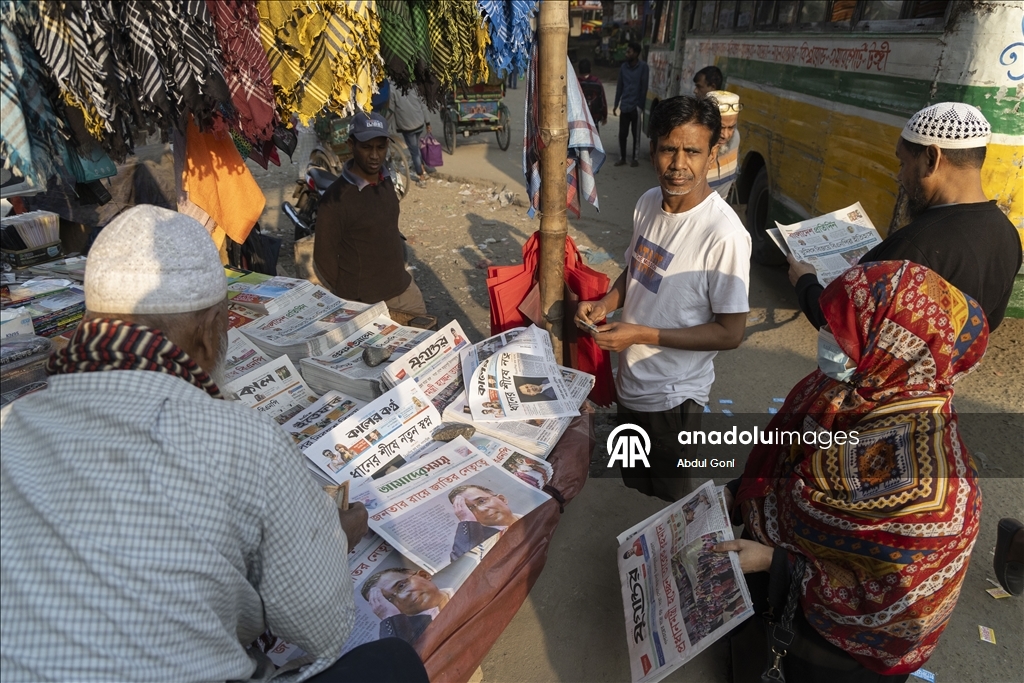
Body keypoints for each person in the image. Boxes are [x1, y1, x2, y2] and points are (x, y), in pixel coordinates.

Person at [0, 205, 427, 683]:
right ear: (210, 329)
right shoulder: (241, 440)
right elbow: (321, 628)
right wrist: (333, 542)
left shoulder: (12, 425)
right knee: (394, 663)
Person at [716, 261, 987, 682]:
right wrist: (740, 490)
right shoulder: (849, 388)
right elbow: (786, 457)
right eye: (829, 323)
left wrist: (776, 562)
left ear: (891, 343)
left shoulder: (931, 480)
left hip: (835, 653)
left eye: (842, 329)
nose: (827, 336)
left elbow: (888, 601)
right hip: (775, 603)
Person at [576, 95, 751, 502]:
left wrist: (639, 334)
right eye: (669, 149)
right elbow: (638, 269)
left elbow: (731, 333)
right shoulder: (647, 203)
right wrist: (606, 303)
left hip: (674, 396)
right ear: (652, 148)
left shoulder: (724, 234)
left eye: (693, 151)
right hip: (631, 380)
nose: (678, 164)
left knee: (674, 501)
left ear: (712, 155)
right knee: (637, 483)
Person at [789, 101, 1021, 332]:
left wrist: (806, 281)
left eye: (903, 163)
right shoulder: (1008, 235)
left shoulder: (914, 246)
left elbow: (841, 325)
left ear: (931, 158)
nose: (900, 176)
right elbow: (989, 322)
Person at [313, 111, 428, 315]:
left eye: (380, 147)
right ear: (351, 145)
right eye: (366, 147)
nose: (375, 156)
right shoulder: (336, 199)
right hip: (363, 304)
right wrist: (352, 295)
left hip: (403, 291)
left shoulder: (385, 180)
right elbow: (323, 259)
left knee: (428, 332)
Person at [363, 567, 454, 644]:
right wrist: (390, 618)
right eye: (389, 600)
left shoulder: (461, 583)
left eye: (401, 586)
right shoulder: (407, 635)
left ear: (424, 575)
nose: (402, 597)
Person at [448, 485, 522, 562]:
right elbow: (464, 564)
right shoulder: (476, 540)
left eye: (481, 501)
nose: (481, 510)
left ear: (502, 499)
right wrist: (467, 521)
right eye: (469, 509)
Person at [613, 42, 649, 167]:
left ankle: (635, 158)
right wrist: (616, 104)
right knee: (622, 134)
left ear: (636, 53)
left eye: (629, 52)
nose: (626, 54)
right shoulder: (623, 67)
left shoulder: (643, 67)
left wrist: (640, 106)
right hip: (625, 106)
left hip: (635, 106)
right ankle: (622, 158)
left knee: (636, 134)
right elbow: (620, 86)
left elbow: (644, 87)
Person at [389, 81, 432, 186]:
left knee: (414, 152)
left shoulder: (392, 88)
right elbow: (423, 104)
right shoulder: (414, 86)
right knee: (416, 148)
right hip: (419, 122)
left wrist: (388, 126)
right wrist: (428, 122)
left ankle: (421, 177)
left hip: (407, 126)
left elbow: (391, 109)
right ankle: (423, 170)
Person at [705, 90, 742, 199]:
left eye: (731, 127)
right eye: (720, 127)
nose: (725, 135)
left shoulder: (735, 138)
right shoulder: (696, 147)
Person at [577, 58, 608, 130]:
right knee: (594, 135)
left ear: (579, 70)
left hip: (580, 118)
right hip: (594, 117)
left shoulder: (576, 83)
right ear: (590, 69)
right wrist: (604, 115)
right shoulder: (597, 82)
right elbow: (602, 100)